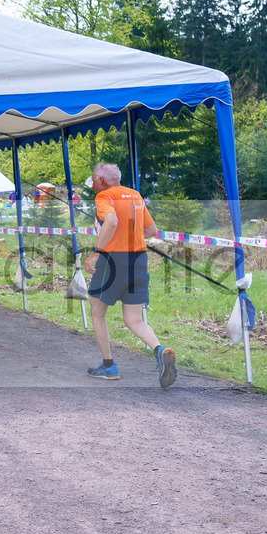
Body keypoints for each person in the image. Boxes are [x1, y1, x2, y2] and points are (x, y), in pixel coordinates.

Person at [83, 163, 176, 387]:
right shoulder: (135, 195)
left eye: (94, 181)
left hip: (112, 261)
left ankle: (108, 366)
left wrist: (96, 252)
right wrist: (129, 237)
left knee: (97, 313)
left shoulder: (104, 196)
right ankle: (159, 350)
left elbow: (112, 221)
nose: (94, 185)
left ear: (102, 180)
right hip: (139, 260)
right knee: (133, 319)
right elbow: (152, 231)